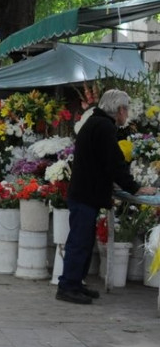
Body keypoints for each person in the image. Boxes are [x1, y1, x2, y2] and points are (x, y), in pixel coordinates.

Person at [55, 89, 156, 305]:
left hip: (84, 193)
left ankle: (75, 283)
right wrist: (135, 188)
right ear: (119, 110)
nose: (126, 115)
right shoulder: (104, 127)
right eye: (126, 110)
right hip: (85, 195)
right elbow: (113, 163)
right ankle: (68, 286)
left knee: (83, 240)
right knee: (79, 242)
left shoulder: (95, 122)